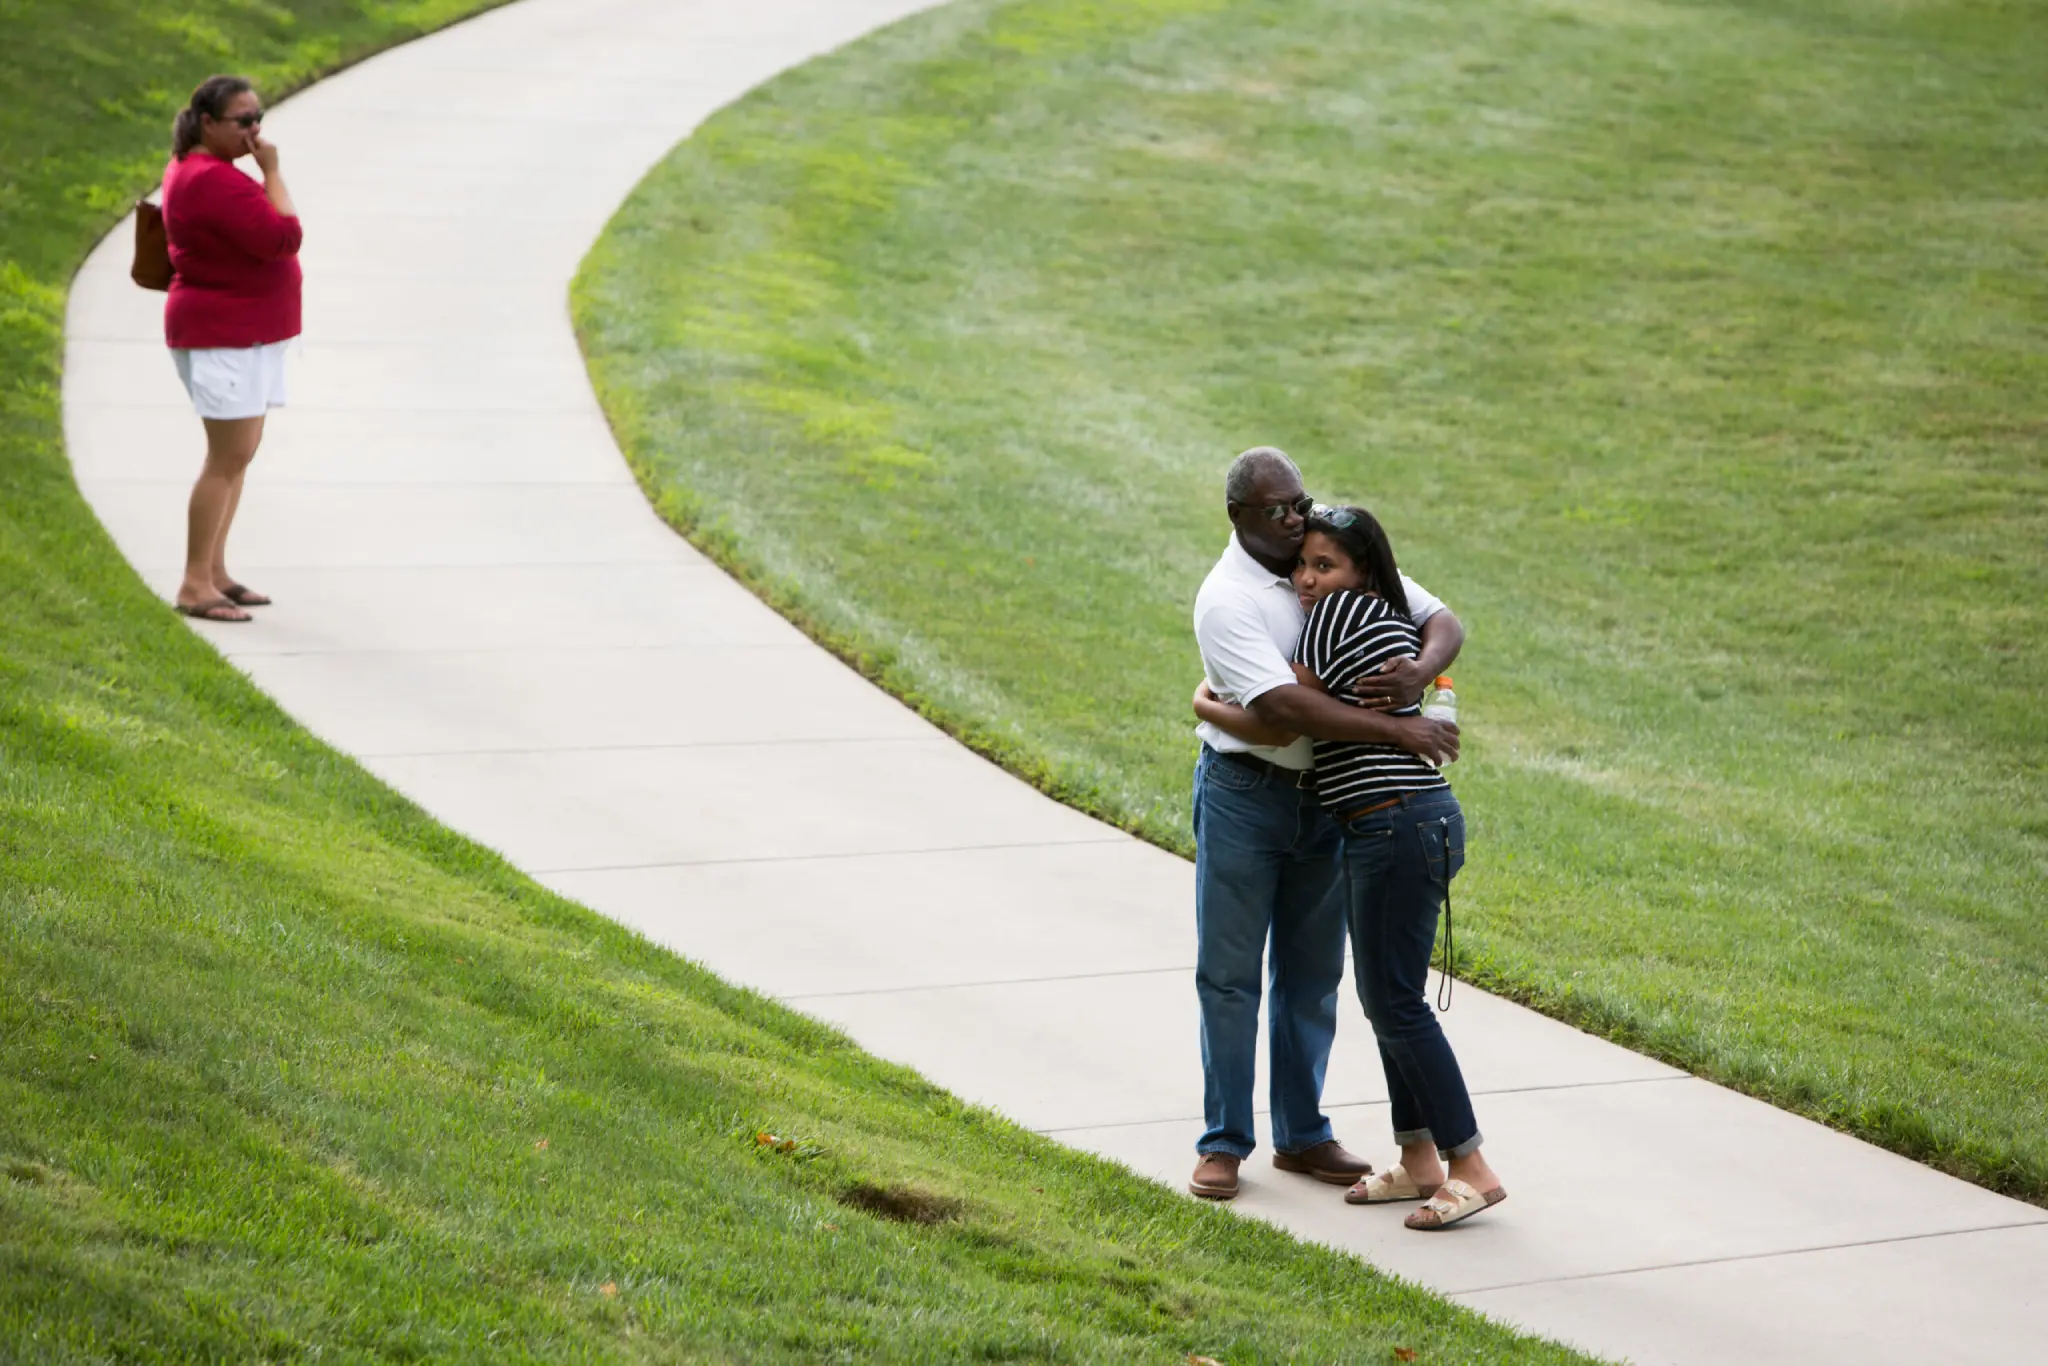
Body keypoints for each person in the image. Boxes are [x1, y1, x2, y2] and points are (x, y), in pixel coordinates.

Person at [1203, 504, 1505, 1230]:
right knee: (1385, 997)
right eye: (1304, 564)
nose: (1308, 577)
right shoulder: (1361, 605)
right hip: (1394, 823)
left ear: (1361, 571)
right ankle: (1419, 1161)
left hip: (1393, 825)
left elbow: (1282, 714)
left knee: (1394, 1003)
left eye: (1323, 565)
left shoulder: (1336, 616)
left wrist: (1204, 704)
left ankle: (1471, 1169)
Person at [160, 75, 302, 622]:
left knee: (236, 457)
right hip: (224, 335)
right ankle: (195, 583)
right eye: (243, 121)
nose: (255, 129)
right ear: (208, 123)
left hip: (245, 334)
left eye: (258, 118)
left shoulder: (212, 174)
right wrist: (271, 171)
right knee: (224, 460)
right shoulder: (212, 180)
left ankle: (215, 572)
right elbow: (284, 236)